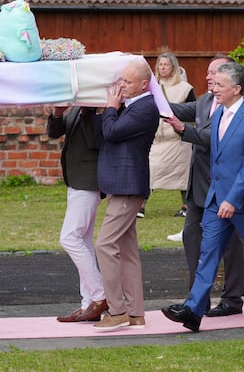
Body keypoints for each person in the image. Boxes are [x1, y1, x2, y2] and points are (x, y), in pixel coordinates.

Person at [161, 62, 244, 332]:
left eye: (220, 85)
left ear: (236, 89)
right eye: (214, 84)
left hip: (242, 203)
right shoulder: (217, 115)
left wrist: (233, 199)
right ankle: (193, 310)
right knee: (208, 254)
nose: (213, 88)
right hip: (216, 200)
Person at [162, 54, 244, 320]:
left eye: (215, 72)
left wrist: (184, 131)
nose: (209, 76)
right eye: (209, 72)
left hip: (224, 187)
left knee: (230, 244)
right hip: (199, 185)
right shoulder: (204, 101)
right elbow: (176, 110)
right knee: (192, 237)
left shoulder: (239, 110)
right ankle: (196, 300)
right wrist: (150, 96)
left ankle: (233, 298)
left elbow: (215, 138)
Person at [92, 59, 159, 331]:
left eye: (128, 82)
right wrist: (106, 111)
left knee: (104, 246)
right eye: (121, 81)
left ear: (144, 84)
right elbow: (103, 138)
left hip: (128, 185)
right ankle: (135, 313)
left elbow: (113, 132)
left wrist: (110, 108)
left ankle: (117, 310)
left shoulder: (145, 107)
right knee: (128, 251)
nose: (122, 87)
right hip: (122, 184)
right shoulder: (131, 106)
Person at [47, 105, 108, 323]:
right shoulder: (75, 108)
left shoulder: (96, 109)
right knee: (83, 241)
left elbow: (95, 141)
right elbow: (54, 132)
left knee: (70, 238)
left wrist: (87, 112)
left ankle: (100, 296)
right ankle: (87, 303)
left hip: (88, 182)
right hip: (75, 180)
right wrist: (57, 113)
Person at [143, 52, 196, 219]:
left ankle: (186, 206)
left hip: (177, 140)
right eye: (160, 64)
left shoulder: (185, 89)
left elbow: (191, 112)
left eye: (166, 64)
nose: (162, 67)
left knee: (183, 174)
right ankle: (140, 206)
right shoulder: (151, 87)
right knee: (149, 172)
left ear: (173, 67)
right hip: (157, 140)